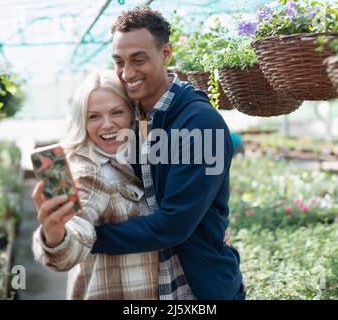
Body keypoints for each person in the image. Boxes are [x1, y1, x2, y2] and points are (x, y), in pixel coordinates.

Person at [90, 6, 245, 300]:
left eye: (138, 60)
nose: (127, 73)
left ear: (165, 53)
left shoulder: (201, 125)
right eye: (119, 62)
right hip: (146, 283)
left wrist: (87, 239)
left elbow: (174, 224)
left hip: (195, 289)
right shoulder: (129, 116)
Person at [31, 70, 159, 299]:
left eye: (117, 112)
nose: (107, 125)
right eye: (94, 116)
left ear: (131, 113)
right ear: (83, 121)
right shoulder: (89, 171)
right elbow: (76, 232)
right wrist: (56, 235)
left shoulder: (140, 156)